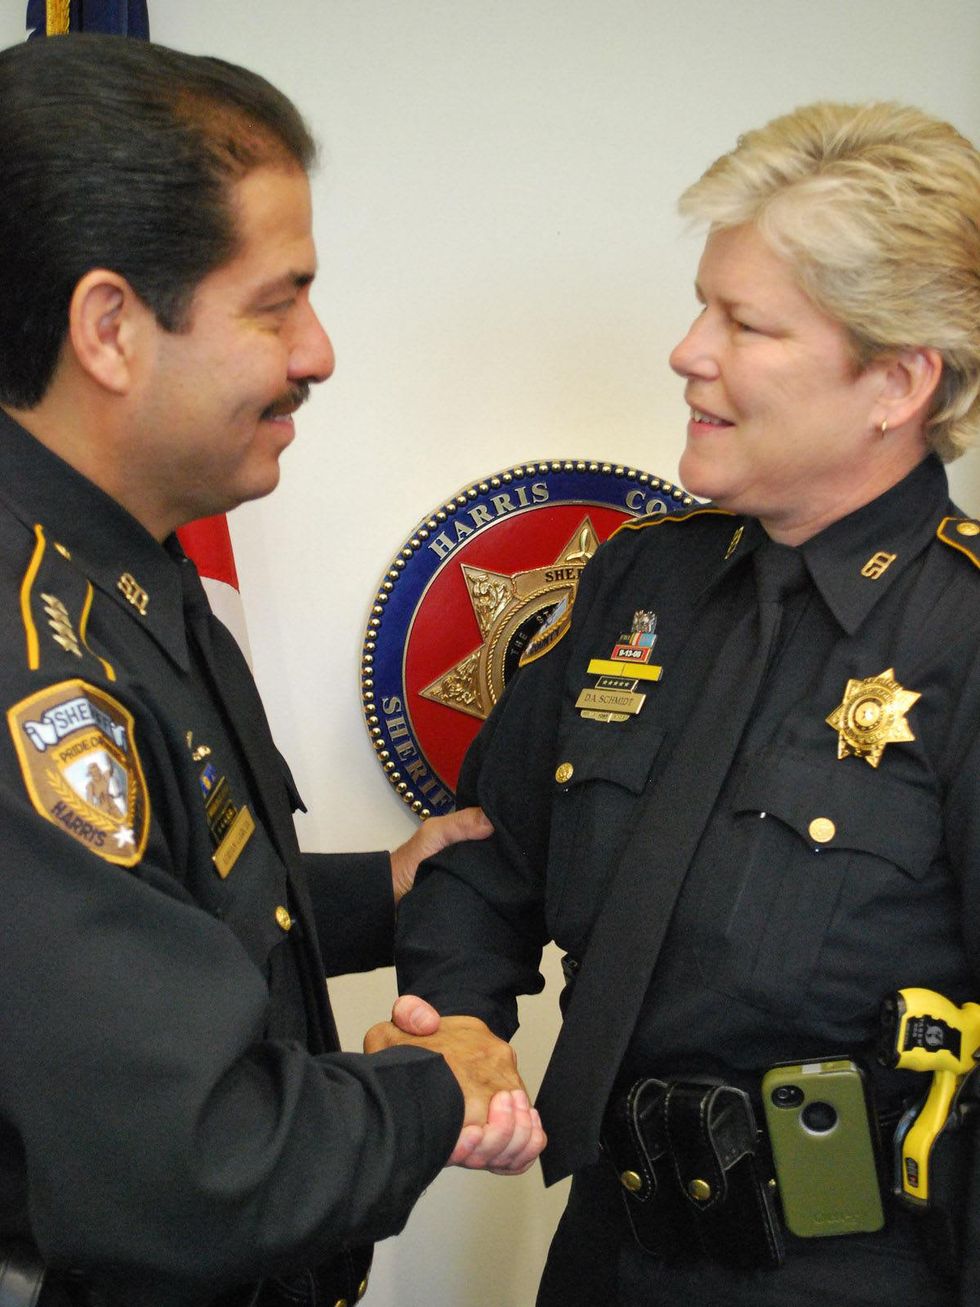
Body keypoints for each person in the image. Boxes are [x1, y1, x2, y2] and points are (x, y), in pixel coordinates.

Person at [383, 100, 980, 1304]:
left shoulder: (961, 634)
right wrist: (456, 1019)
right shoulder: (640, 578)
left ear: (897, 381)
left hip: (855, 1271)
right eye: (703, 302)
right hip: (611, 1245)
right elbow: (485, 859)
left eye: (745, 322)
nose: (685, 349)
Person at [0, 33, 545, 1307]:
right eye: (274, 301)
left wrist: (375, 891)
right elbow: (197, 1164)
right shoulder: (29, 662)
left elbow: (157, 882)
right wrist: (439, 1084)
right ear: (111, 328)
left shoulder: (116, 557)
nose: (319, 349)